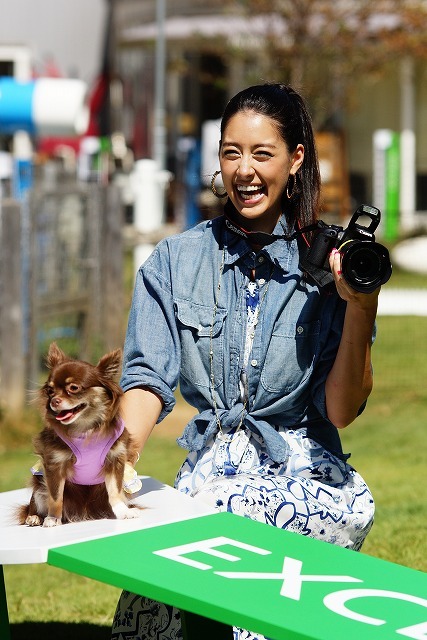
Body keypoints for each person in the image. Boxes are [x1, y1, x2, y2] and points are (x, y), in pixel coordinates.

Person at [111, 83, 378, 640]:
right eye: (232, 153)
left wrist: (359, 307)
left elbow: (342, 409)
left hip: (306, 474)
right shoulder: (176, 261)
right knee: (149, 600)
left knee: (227, 523)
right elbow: (146, 378)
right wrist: (116, 460)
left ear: (296, 157)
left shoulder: (332, 264)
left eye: (262, 153)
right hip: (208, 474)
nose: (245, 171)